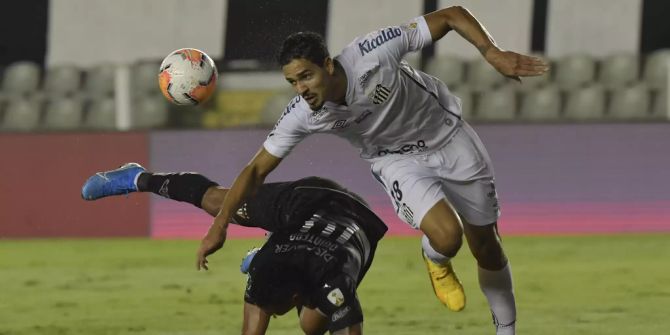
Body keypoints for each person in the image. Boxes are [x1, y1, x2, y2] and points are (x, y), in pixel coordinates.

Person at [198, 6, 549, 335]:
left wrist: (491, 52)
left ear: (328, 65)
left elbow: (452, 16)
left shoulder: (373, 51)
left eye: (306, 76)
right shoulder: (303, 113)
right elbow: (256, 169)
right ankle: (435, 257)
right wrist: (220, 224)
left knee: (487, 247)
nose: (301, 89)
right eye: (293, 82)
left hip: (449, 136)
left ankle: (507, 329)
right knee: (447, 237)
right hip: (395, 161)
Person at [81, 164, 387, 335]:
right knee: (219, 202)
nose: (267, 312)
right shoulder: (264, 269)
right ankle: (139, 178)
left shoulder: (337, 286)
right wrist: (221, 224)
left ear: (295, 296)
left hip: (352, 216)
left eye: (270, 309)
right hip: (297, 203)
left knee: (311, 327)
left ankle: (273, 248)